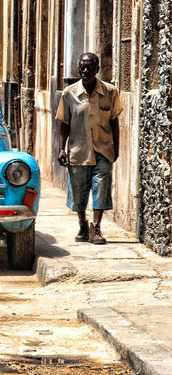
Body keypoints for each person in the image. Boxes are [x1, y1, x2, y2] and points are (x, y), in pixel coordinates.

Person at [56, 52, 123, 245]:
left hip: (103, 150)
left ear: (97, 69)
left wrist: (116, 148)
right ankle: (82, 225)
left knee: (101, 188)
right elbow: (64, 124)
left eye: (90, 67)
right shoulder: (69, 94)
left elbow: (114, 122)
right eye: (82, 67)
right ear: (78, 69)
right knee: (78, 190)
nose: (85, 71)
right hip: (79, 151)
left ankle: (96, 228)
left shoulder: (110, 92)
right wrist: (61, 149)